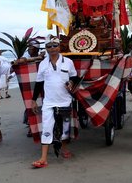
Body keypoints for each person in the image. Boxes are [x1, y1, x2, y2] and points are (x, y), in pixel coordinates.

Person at [31, 36, 79, 168]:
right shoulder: (42, 64)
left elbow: (74, 76)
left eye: (54, 45)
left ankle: (64, 149)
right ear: (46, 48)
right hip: (49, 102)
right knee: (47, 127)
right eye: (49, 46)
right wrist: (34, 100)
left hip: (64, 101)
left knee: (63, 128)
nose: (52, 48)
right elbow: (39, 83)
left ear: (59, 46)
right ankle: (43, 158)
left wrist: (71, 82)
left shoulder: (68, 62)